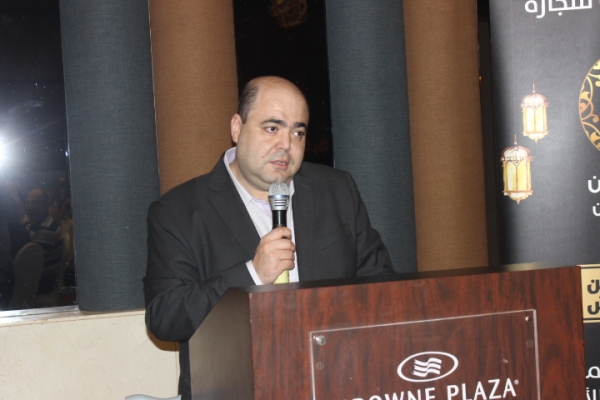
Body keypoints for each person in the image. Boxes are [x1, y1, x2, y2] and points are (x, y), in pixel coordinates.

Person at [144, 76, 393, 398]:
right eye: (272, 128)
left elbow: (381, 289)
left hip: (336, 383)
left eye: (298, 132)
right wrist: (253, 274)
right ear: (237, 128)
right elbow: (166, 317)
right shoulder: (179, 211)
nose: (286, 145)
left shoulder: (337, 190)